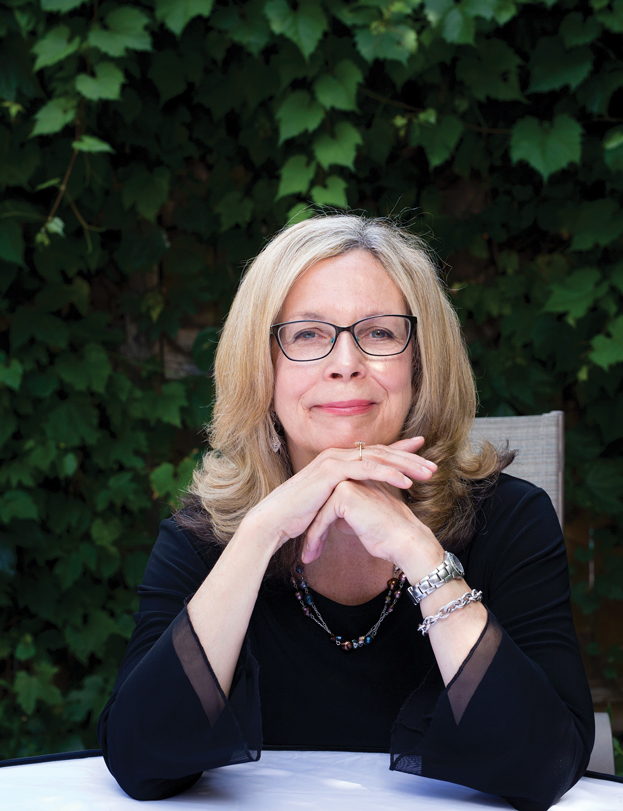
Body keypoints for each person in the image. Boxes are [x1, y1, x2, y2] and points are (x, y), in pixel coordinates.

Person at [97, 214, 594, 811]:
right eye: (307, 335)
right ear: (263, 368)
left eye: (380, 333)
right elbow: (139, 761)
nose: (345, 362)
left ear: (421, 363)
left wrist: (419, 551)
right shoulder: (205, 534)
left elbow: (546, 766)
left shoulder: (512, 520)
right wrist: (260, 534)